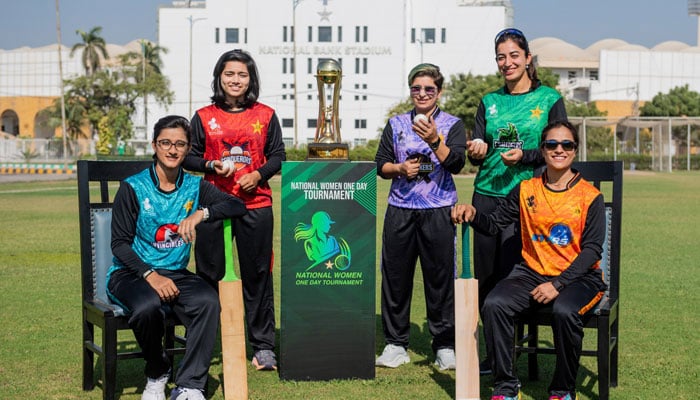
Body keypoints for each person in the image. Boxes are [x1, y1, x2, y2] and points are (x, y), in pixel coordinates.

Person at [452, 120, 606, 400]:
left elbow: (592, 251)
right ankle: (506, 387)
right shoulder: (525, 189)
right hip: (531, 273)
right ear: (543, 150)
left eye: (566, 144)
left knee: (564, 310)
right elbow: (495, 223)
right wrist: (473, 213)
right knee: (494, 304)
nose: (559, 149)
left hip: (579, 278)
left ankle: (562, 390)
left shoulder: (590, 196)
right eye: (551, 144)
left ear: (574, 151)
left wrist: (558, 284)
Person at [107, 115, 247, 400]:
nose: (172, 150)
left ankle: (190, 386)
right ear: (154, 146)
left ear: (188, 149)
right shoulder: (132, 187)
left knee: (208, 302)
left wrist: (201, 213)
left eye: (180, 144)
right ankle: (158, 372)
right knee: (147, 307)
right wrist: (151, 275)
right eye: (166, 143)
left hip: (177, 273)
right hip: (131, 273)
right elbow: (119, 245)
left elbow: (236, 205)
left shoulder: (194, 187)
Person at [467, 27, 568, 375]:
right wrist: (476, 149)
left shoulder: (549, 99)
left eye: (513, 55)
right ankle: (493, 357)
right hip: (485, 198)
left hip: (527, 202)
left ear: (527, 59)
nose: (507, 62)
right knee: (484, 280)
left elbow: (560, 150)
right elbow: (479, 150)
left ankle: (508, 357)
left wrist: (525, 155)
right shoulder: (488, 101)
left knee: (512, 280)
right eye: (501, 57)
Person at [183, 49, 286, 371]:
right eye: (229, 74)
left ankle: (263, 347)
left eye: (242, 75)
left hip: (255, 205)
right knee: (208, 275)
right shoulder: (202, 116)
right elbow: (189, 157)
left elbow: (278, 155)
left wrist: (259, 174)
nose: (235, 80)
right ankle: (203, 342)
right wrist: (211, 165)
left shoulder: (266, 114)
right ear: (219, 77)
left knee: (257, 275)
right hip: (212, 206)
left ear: (251, 79)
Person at [374, 63, 467, 370]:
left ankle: (444, 346)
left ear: (438, 92)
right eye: (417, 88)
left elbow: (455, 163)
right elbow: (381, 165)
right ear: (410, 91)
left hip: (439, 209)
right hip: (401, 209)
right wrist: (400, 169)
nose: (422, 94)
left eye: (429, 89)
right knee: (396, 278)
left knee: (440, 279)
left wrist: (434, 141)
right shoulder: (396, 123)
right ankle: (396, 343)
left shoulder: (452, 124)